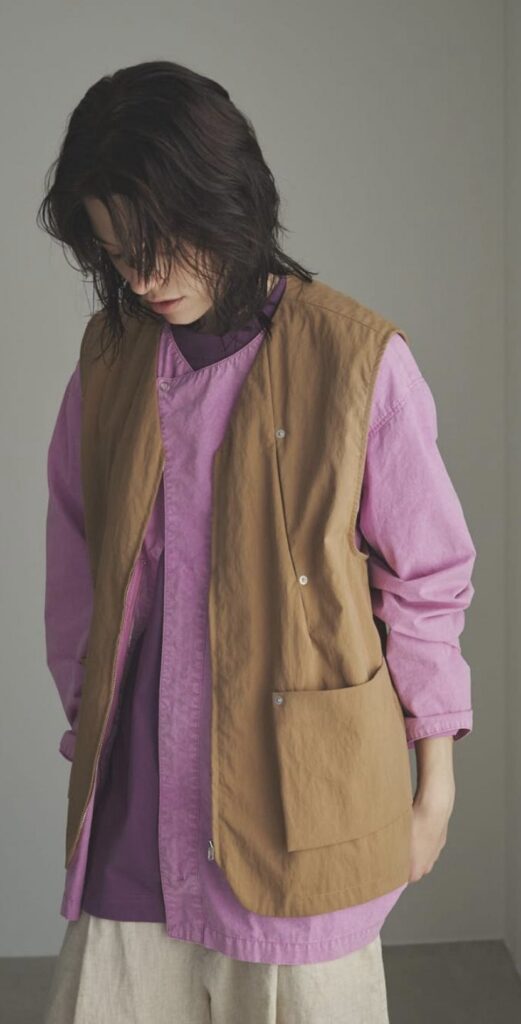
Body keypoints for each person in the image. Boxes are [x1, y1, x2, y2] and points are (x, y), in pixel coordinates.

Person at [39, 60, 476, 1023]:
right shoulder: (109, 361)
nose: (142, 278)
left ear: (223, 200)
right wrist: (89, 714)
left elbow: (428, 582)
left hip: (304, 813)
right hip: (138, 810)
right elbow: (76, 554)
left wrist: (434, 791)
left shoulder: (357, 360)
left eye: (157, 245)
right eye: (115, 254)